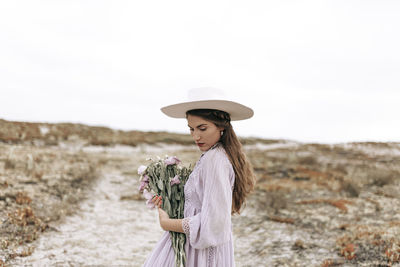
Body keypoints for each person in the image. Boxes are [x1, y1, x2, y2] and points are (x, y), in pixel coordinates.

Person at [143, 88, 256, 267]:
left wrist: (167, 222)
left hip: (200, 251)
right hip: (196, 246)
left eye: (202, 128)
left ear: (221, 126)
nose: (196, 136)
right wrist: (171, 201)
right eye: (191, 129)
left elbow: (213, 223)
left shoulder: (215, 159)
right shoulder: (216, 154)